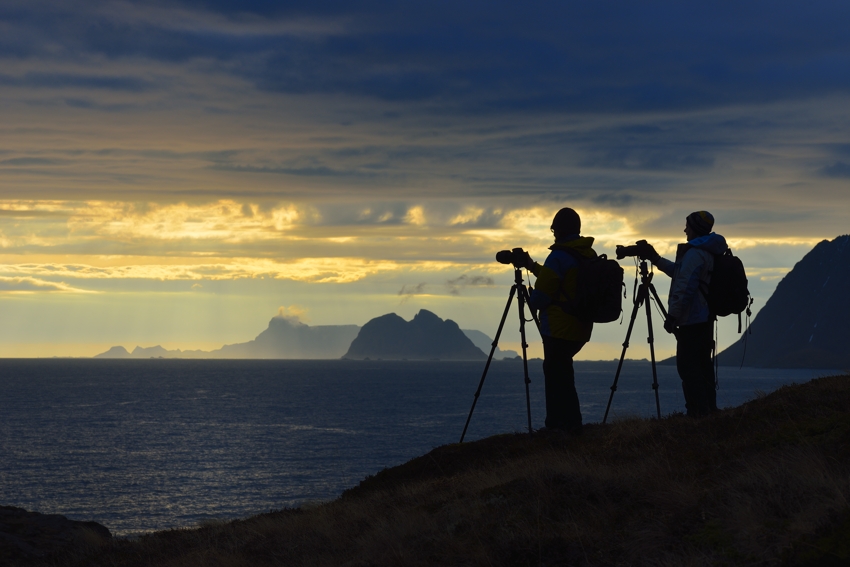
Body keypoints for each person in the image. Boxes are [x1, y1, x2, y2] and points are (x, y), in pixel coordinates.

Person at [644, 211, 728, 417]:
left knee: (688, 368)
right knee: (703, 365)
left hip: (692, 320)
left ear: (695, 228)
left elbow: (684, 288)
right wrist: (655, 258)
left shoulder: (694, 254)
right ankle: (709, 409)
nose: (685, 230)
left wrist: (672, 317)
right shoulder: (705, 251)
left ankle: (698, 412)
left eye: (687, 226)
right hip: (705, 318)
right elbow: (680, 272)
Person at [523, 207, 598, 433]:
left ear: (560, 229)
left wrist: (531, 296)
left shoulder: (558, 256)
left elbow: (541, 297)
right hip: (581, 327)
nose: (553, 232)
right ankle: (571, 424)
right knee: (564, 373)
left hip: (559, 328)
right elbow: (559, 280)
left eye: (554, 228)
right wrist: (531, 266)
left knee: (557, 377)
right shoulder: (586, 254)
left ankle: (558, 426)